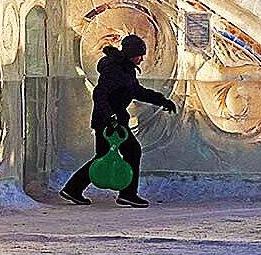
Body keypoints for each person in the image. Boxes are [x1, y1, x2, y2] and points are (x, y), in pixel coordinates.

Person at [59, 34, 177, 208]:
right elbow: (99, 94)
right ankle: (127, 194)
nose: (142, 59)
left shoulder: (126, 70)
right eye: (139, 55)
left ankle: (73, 189)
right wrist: (110, 117)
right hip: (110, 123)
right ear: (131, 54)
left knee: (104, 156)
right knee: (132, 151)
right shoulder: (115, 70)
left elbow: (137, 91)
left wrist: (162, 100)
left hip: (112, 121)